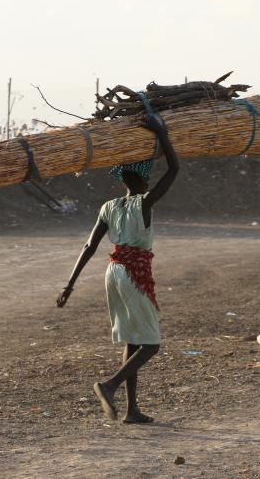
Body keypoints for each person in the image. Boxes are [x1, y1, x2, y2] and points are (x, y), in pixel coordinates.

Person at [56, 112, 180, 424]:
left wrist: (68, 285)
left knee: (132, 340)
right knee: (151, 345)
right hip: (134, 274)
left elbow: (89, 246)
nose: (150, 180)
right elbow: (175, 169)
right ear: (140, 179)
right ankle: (108, 386)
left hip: (112, 272)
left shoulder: (108, 207)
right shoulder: (144, 203)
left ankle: (132, 410)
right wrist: (161, 133)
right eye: (147, 176)